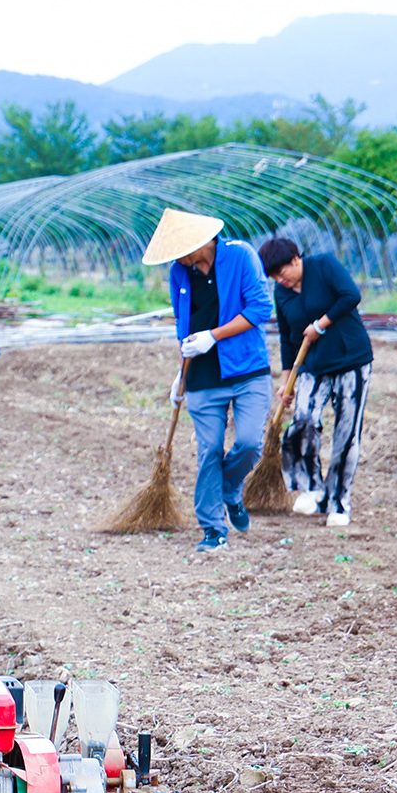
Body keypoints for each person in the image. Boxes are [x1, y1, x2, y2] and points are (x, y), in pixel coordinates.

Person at [140, 208, 274, 553]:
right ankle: (213, 528)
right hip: (201, 374)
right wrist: (180, 371)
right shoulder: (179, 273)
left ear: (198, 243)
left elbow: (260, 310)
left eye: (179, 252)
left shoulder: (240, 256)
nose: (177, 260)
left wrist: (214, 336)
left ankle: (230, 489)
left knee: (248, 443)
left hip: (247, 367)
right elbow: (182, 326)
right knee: (210, 450)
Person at [258, 237, 373, 528]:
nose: (279, 279)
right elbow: (287, 337)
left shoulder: (324, 265)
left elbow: (350, 296)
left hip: (351, 361)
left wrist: (320, 325)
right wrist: (286, 382)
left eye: (281, 272)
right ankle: (314, 489)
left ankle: (339, 502)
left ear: (296, 259)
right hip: (311, 366)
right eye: (273, 276)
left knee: (346, 434)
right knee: (303, 421)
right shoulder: (282, 293)